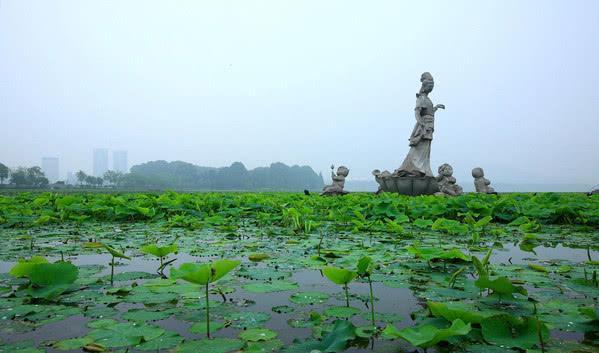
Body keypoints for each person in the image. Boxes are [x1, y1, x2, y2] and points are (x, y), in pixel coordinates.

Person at [396, 72, 445, 177]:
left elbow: (428, 113)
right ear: (425, 86)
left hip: (429, 126)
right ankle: (412, 169)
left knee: (425, 149)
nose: (431, 88)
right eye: (430, 86)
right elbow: (417, 113)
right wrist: (422, 124)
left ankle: (423, 169)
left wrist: (435, 108)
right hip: (424, 127)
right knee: (419, 149)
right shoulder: (421, 98)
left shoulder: (427, 99)